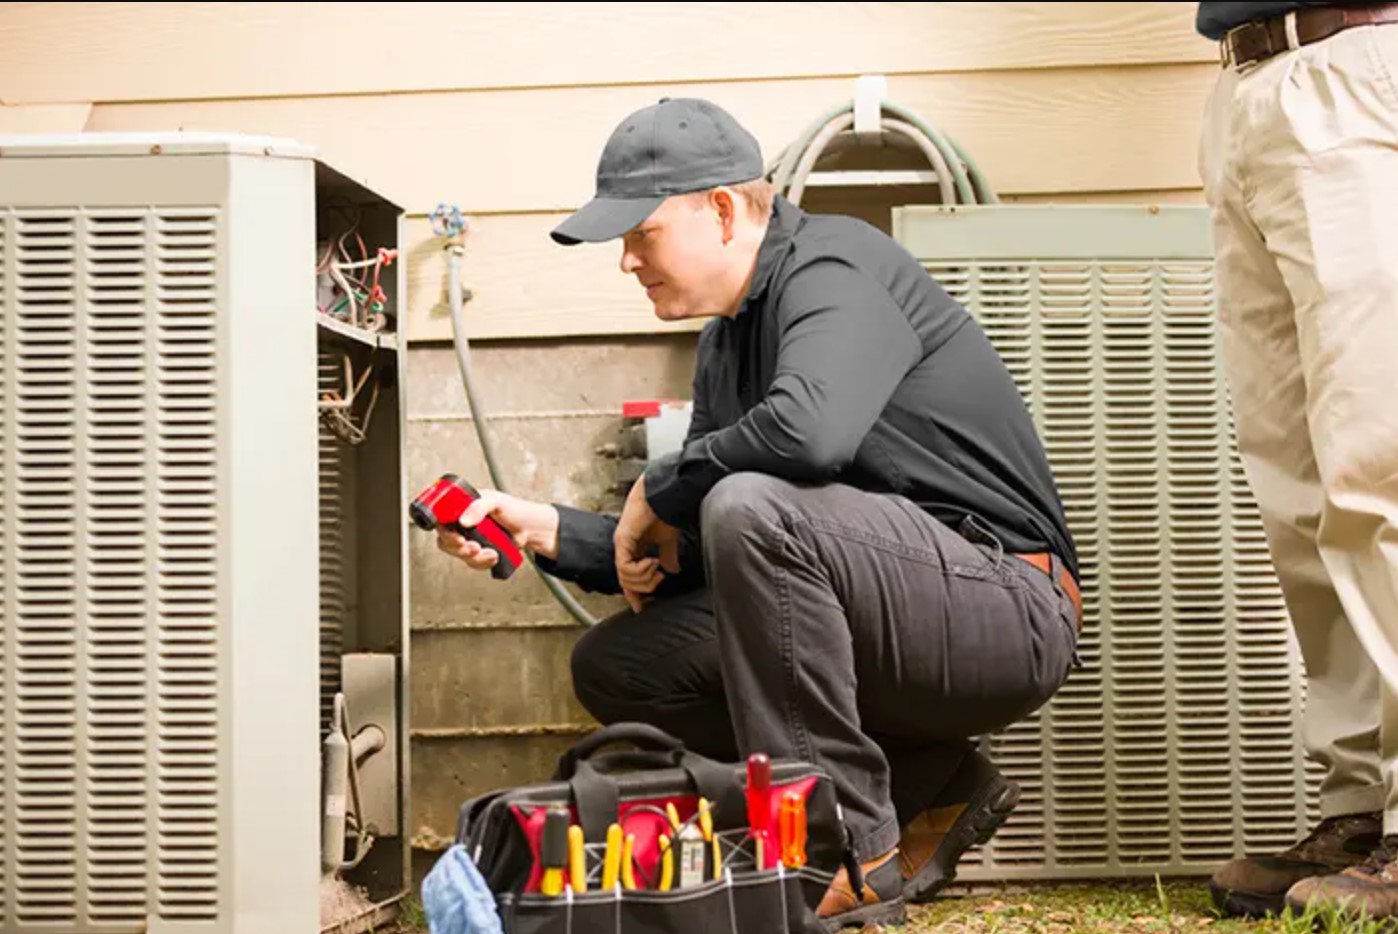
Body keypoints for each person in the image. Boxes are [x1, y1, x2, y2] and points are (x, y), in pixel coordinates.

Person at [436, 97, 1082, 929]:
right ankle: (935, 784)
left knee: (750, 502)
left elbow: (805, 439)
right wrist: (552, 531)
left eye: (641, 233)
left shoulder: (837, 265)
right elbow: (709, 550)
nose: (627, 261)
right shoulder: (725, 342)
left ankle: (839, 846)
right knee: (621, 664)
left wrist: (660, 486)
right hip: (885, 616)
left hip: (1005, 609)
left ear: (722, 208)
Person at [1197, 0, 1398, 921]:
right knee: (1300, 489)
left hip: (1358, 61)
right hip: (1243, 84)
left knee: (1379, 465)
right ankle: (1362, 807)